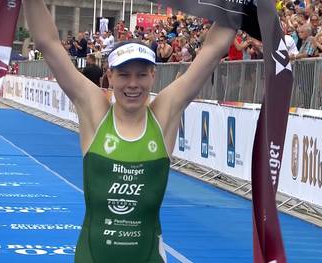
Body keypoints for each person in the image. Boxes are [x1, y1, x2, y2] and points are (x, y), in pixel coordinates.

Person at [23, 1, 235, 262]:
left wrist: (238, 6)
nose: (133, 84)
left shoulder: (163, 116)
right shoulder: (95, 113)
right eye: (124, 75)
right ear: (109, 76)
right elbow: (48, 44)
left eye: (141, 75)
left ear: (153, 76)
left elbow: (213, 50)